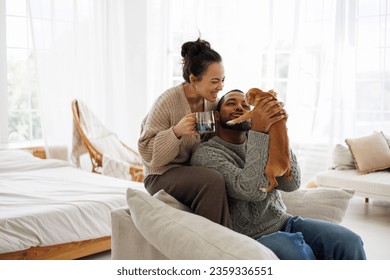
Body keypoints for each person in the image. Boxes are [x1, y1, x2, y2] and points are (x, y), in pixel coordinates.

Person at [190, 89, 367, 260]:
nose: (240, 107)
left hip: (285, 221)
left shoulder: (263, 140)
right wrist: (258, 133)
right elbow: (252, 190)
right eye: (231, 103)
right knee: (299, 254)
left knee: (350, 241)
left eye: (245, 105)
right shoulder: (207, 153)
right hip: (251, 236)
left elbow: (292, 183)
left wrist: (278, 130)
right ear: (218, 115)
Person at [138, 38, 231, 228]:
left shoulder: (212, 102)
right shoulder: (168, 101)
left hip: (190, 169)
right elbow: (147, 153)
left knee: (226, 177)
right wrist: (175, 132)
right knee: (212, 181)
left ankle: (227, 240)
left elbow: (211, 141)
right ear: (193, 80)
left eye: (222, 80)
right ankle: (217, 246)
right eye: (214, 81)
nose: (220, 86)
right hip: (160, 174)